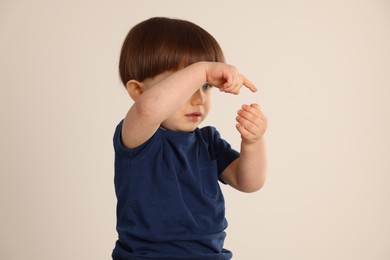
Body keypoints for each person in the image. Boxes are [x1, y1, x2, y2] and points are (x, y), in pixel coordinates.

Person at [112, 17, 267, 260]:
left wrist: (253, 143)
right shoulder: (137, 136)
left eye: (205, 86)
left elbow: (248, 182)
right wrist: (203, 70)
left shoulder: (208, 141)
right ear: (139, 91)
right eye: (184, 85)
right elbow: (147, 110)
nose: (198, 99)